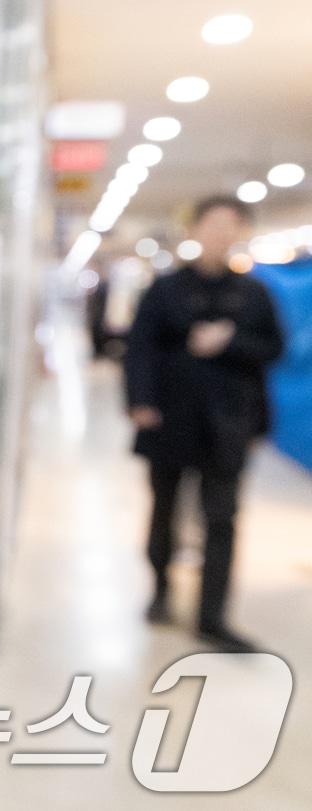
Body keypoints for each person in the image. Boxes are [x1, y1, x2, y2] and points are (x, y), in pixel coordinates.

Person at [123, 195, 285, 653]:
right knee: (165, 509)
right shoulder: (166, 290)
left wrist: (230, 341)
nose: (221, 234)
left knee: (222, 518)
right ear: (194, 230)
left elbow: (273, 349)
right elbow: (140, 348)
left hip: (228, 423)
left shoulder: (254, 294)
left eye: (231, 226)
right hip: (169, 418)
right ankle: (160, 590)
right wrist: (141, 401)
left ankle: (212, 617)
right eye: (213, 224)